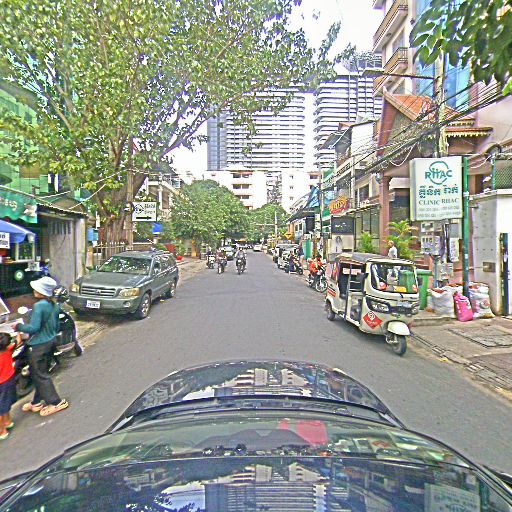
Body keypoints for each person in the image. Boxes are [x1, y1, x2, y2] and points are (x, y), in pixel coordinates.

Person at [12, 276, 69, 417]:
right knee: (38, 373)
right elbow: (55, 325)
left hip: (39, 345)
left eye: (36, 288)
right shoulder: (54, 305)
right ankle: (37, 401)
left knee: (40, 374)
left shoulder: (39, 306)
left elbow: (33, 328)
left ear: (42, 291)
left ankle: (56, 402)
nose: (33, 290)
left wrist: (18, 326)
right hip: (50, 342)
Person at [0, 333, 17, 440]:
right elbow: (17, 342)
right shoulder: (8, 350)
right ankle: (7, 422)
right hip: (9, 381)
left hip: (2, 383)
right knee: (5, 403)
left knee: (1, 408)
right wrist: (18, 331)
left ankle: (2, 431)